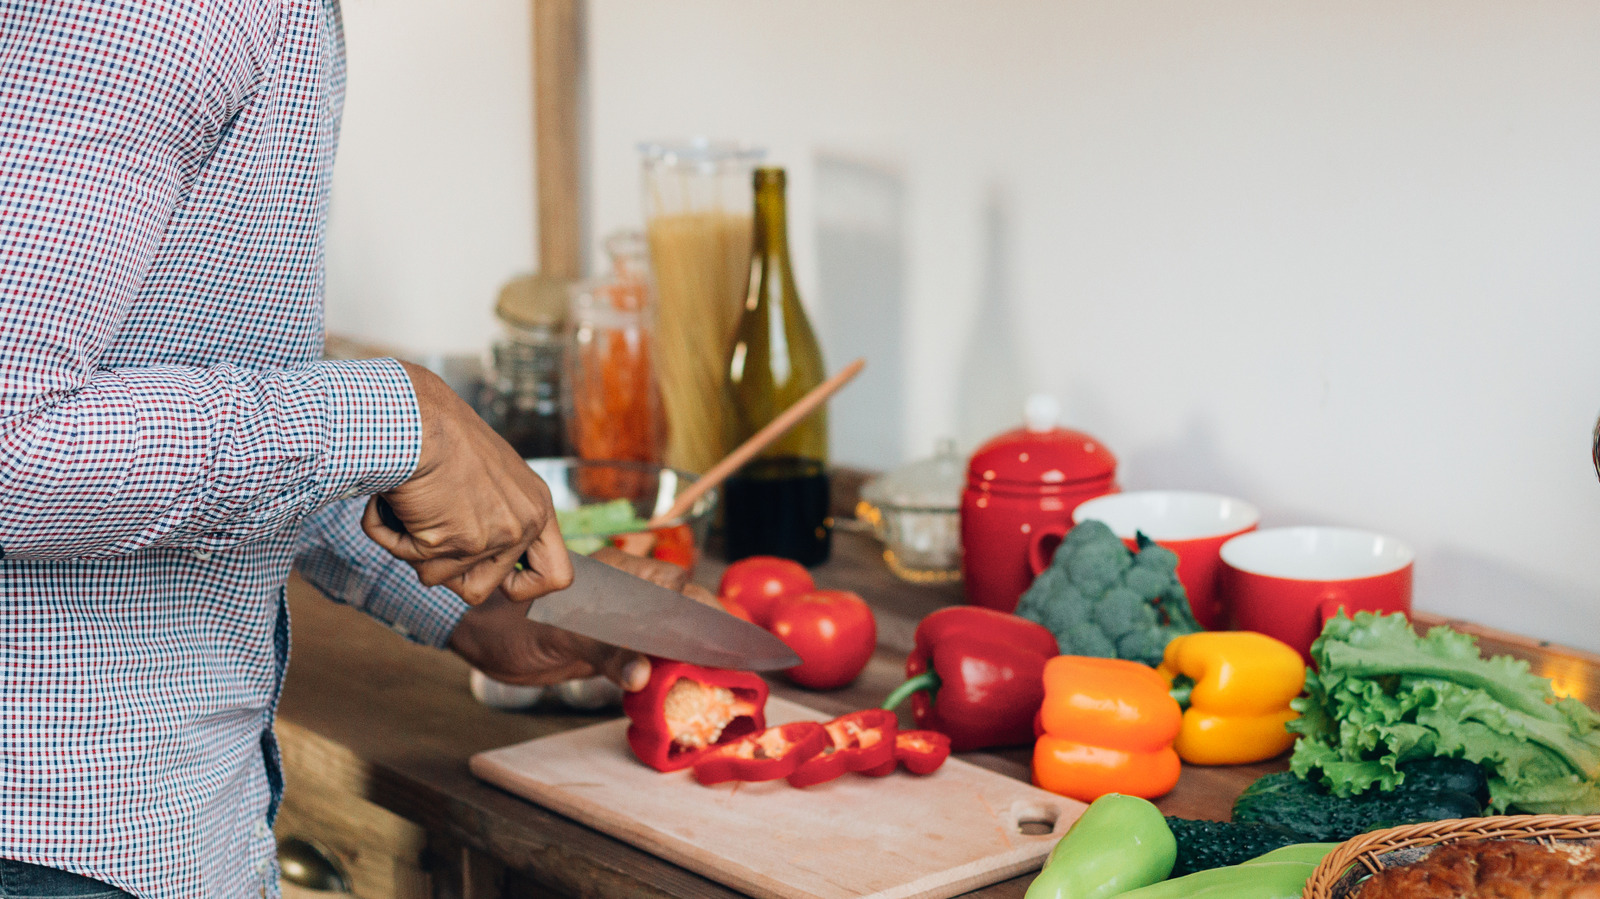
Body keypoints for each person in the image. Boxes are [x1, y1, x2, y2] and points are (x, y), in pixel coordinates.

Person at [0, 3, 681, 897]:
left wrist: (464, 598)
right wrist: (402, 417)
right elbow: (14, 442)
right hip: (53, 848)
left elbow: (180, 386)